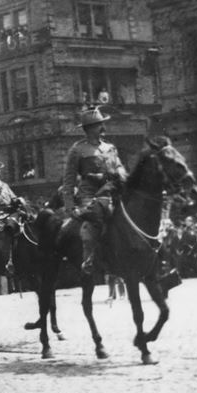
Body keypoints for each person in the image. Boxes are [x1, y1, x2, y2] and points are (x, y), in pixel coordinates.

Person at [60, 108, 128, 274]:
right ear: (88, 128)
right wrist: (70, 207)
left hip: (111, 192)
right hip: (89, 196)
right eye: (98, 125)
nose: (102, 127)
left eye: (102, 123)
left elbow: (120, 167)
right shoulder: (77, 150)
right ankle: (88, 259)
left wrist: (119, 173)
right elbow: (68, 181)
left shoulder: (110, 148)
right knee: (94, 220)